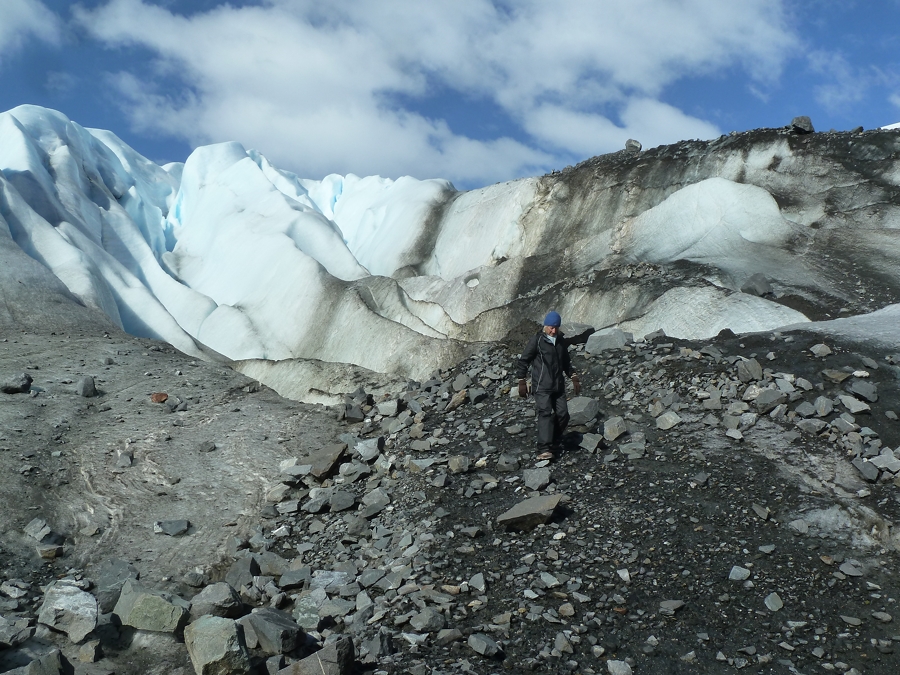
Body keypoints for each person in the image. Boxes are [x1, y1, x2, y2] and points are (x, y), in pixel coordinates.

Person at [515, 311, 581, 460]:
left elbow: (566, 362)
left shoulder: (561, 341)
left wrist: (573, 376)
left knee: (563, 414)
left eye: (556, 327)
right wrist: (521, 380)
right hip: (542, 386)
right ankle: (544, 449)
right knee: (545, 413)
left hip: (558, 386)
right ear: (545, 326)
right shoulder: (537, 340)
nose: (553, 330)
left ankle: (554, 440)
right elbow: (524, 360)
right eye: (551, 327)